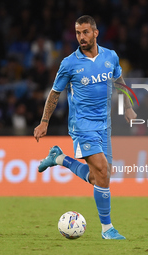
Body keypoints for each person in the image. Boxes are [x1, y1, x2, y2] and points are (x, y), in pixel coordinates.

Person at [33, 15, 137, 239]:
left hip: (104, 125)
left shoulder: (110, 56)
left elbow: (120, 83)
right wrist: (44, 122)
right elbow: (55, 93)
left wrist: (128, 108)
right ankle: (107, 229)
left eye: (85, 32)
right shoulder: (69, 63)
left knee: (100, 176)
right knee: (101, 170)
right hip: (82, 125)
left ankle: (59, 159)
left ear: (95, 33)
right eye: (78, 33)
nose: (81, 37)